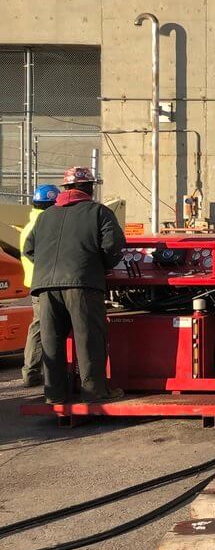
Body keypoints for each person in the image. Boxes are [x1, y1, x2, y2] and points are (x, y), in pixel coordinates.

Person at [25, 167, 125, 404]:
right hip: (82, 283)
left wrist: (48, 268)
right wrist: (101, 266)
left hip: (45, 287)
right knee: (88, 336)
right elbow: (113, 246)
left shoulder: (45, 216)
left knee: (51, 340)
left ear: (66, 189)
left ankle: (54, 394)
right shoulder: (99, 212)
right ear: (89, 188)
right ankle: (94, 391)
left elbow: (29, 249)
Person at [19, 184, 59, 387]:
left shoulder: (31, 223)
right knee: (41, 328)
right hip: (45, 282)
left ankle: (32, 371)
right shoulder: (44, 225)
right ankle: (33, 372)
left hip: (37, 283)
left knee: (39, 326)